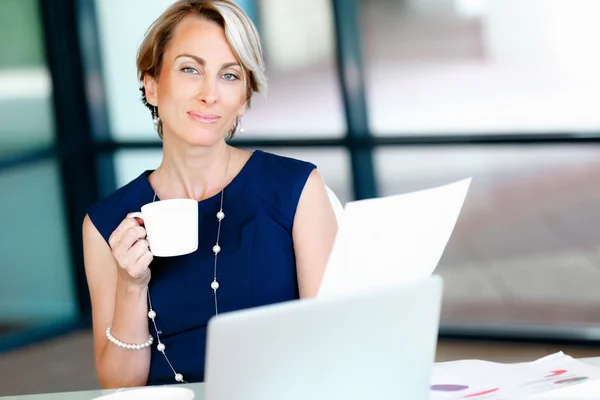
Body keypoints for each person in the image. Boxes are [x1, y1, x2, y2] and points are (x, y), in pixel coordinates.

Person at [82, 0, 338, 389]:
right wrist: (131, 286)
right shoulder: (106, 223)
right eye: (190, 69)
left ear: (245, 97)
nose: (210, 94)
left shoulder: (296, 188)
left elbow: (334, 343)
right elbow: (120, 385)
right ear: (152, 85)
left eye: (230, 76)